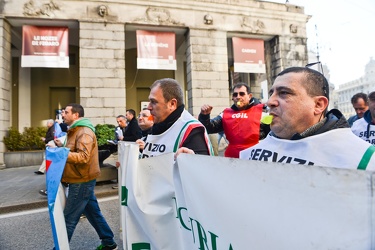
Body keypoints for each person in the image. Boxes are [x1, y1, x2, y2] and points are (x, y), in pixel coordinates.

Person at [240, 67, 375, 169]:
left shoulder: (364, 159)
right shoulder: (248, 154)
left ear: (318, 105)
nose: (270, 102)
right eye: (272, 93)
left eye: (284, 93)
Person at [53, 103, 117, 250]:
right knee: (93, 214)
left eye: (66, 112)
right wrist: (61, 147)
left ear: (76, 115)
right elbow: (75, 151)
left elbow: (83, 157)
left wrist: (62, 154)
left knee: (68, 219)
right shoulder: (76, 130)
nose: (63, 115)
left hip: (81, 180)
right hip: (81, 178)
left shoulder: (84, 132)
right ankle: (109, 242)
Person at [141, 78, 214, 158]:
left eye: (154, 102)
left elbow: (203, 167)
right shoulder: (160, 123)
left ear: (172, 104)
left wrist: (193, 158)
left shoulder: (192, 130)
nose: (149, 107)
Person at [198, 82, 269, 158]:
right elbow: (208, 128)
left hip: (255, 158)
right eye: (235, 94)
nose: (238, 97)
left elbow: (273, 134)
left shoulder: (262, 112)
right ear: (232, 98)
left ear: (249, 96)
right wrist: (204, 116)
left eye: (242, 94)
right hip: (232, 159)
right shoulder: (226, 114)